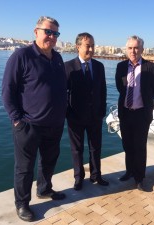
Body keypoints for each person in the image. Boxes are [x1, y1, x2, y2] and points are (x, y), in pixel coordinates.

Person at [1, 16, 67, 222]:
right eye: (48, 31)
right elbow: (7, 91)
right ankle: (22, 204)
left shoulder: (57, 58)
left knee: (49, 161)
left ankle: (44, 189)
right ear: (36, 31)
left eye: (55, 33)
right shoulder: (21, 56)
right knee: (24, 168)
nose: (51, 36)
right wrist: (17, 119)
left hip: (54, 123)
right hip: (28, 125)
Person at [115, 35, 154, 191]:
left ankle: (139, 178)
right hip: (125, 112)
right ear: (126, 49)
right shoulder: (120, 66)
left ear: (142, 49)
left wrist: (141, 101)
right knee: (127, 144)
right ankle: (129, 171)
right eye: (130, 48)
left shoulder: (152, 68)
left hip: (142, 113)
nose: (133, 51)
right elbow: (120, 88)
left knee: (140, 146)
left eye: (136, 48)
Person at [65, 32, 108, 191]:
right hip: (75, 117)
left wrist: (102, 110)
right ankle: (78, 178)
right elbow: (63, 92)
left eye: (92, 45)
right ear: (78, 46)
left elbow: (102, 90)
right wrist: (67, 113)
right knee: (77, 149)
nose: (90, 48)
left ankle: (96, 175)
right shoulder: (68, 67)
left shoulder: (99, 66)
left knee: (95, 147)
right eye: (87, 45)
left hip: (95, 115)